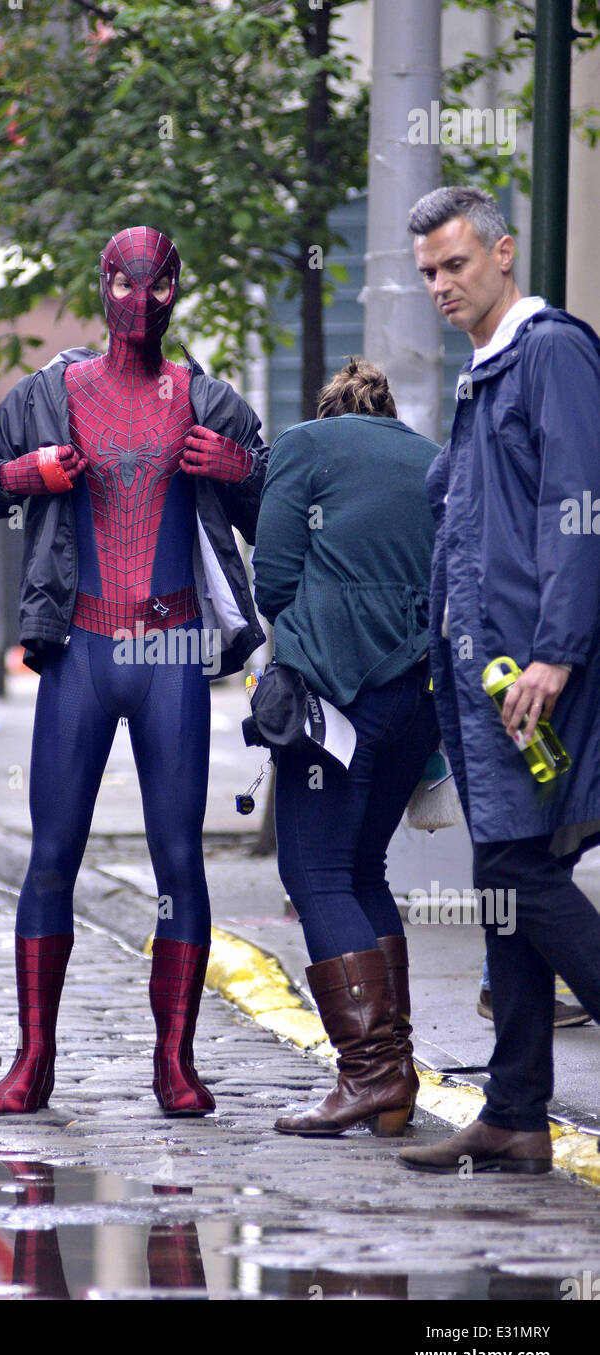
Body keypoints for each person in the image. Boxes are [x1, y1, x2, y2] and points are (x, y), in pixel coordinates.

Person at [0, 226, 267, 1117]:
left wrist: (240, 466)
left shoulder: (205, 398)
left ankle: (176, 1062)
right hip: (83, 647)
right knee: (51, 855)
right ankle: (34, 1058)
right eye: (121, 284)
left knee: (179, 863)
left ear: (175, 288)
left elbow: (276, 500)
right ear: (100, 286)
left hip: (169, 650)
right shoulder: (51, 394)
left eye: (154, 284)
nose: (136, 301)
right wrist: (28, 470)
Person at [399, 185, 600, 1175]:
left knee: (520, 875)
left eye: (454, 265)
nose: (439, 284)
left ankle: (517, 1104)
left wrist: (557, 652)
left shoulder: (549, 351)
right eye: (427, 270)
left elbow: (579, 506)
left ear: (502, 253)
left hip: (536, 675)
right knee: (505, 887)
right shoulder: (484, 370)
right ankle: (515, 1109)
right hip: (486, 683)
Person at [253, 357, 440, 1137]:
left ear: (329, 408)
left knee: (316, 872)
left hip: (336, 694)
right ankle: (393, 1075)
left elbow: (273, 578)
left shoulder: (305, 446)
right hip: (418, 696)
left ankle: (370, 1075)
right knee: (365, 868)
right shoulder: (431, 457)